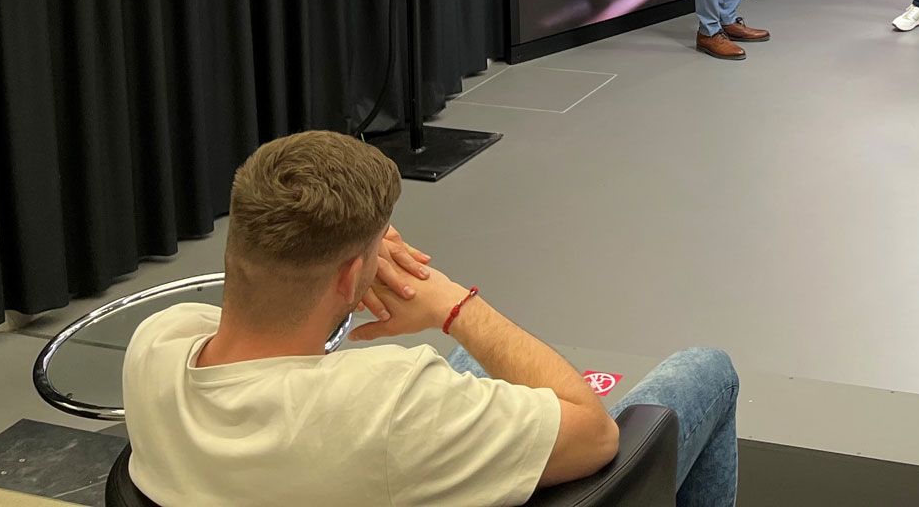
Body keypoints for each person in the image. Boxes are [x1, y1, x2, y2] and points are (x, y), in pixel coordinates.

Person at [122, 131, 740, 507]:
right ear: (348, 278)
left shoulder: (155, 346)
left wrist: (350, 265)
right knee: (708, 370)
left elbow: (272, 341)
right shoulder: (391, 406)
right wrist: (454, 306)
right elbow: (595, 435)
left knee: (473, 368)